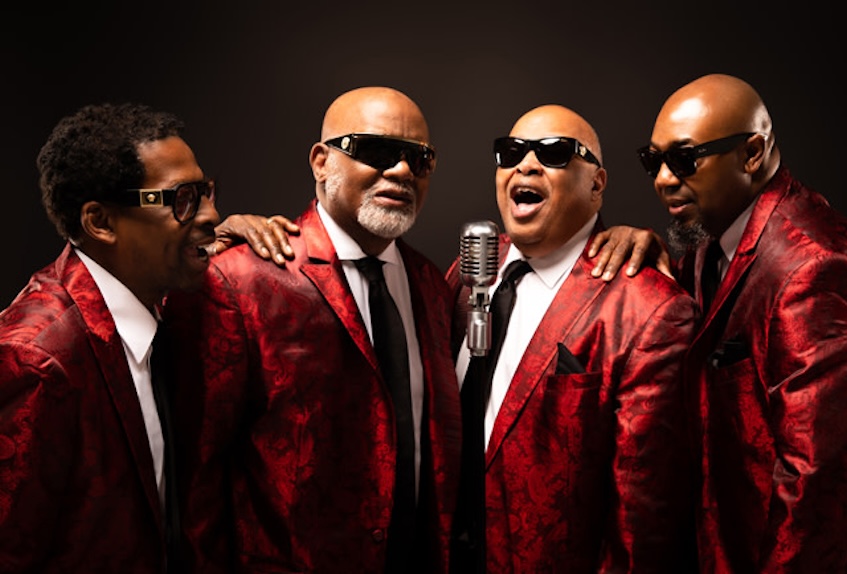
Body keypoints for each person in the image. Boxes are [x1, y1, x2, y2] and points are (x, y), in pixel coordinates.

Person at [590, 73, 847, 572]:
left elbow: (817, 491)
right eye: (654, 161)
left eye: (685, 159)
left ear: (752, 153)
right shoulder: (705, 242)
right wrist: (649, 252)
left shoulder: (821, 269)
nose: (664, 178)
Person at [164, 86, 462, 573]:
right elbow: (196, 478)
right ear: (322, 161)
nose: (402, 171)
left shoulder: (433, 285)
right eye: (378, 151)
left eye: (419, 159)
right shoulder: (239, 280)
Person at [445, 104, 700, 572]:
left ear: (597, 185)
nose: (526, 164)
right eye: (511, 151)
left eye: (555, 153)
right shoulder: (467, 273)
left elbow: (643, 523)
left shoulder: (648, 308)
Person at [0, 102, 220, 572]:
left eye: (205, 192)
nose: (212, 215)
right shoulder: (37, 361)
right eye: (182, 198)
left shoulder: (163, 304)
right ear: (100, 222)